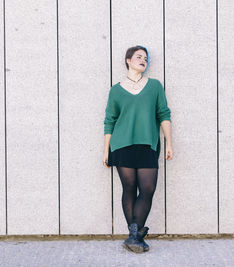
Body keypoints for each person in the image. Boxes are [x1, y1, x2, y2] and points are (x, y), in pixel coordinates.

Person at [103, 45, 173, 253]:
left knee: (148, 189)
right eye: (138, 56)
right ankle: (135, 236)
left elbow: (164, 114)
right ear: (128, 60)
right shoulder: (116, 90)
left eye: (146, 58)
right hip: (121, 145)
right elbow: (109, 120)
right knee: (129, 189)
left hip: (146, 144)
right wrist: (106, 151)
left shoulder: (154, 86)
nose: (143, 60)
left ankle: (133, 236)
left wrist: (169, 142)